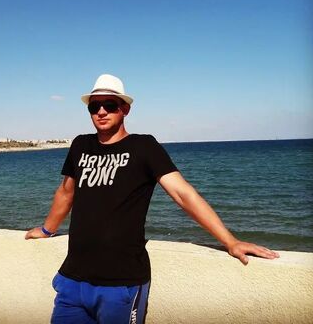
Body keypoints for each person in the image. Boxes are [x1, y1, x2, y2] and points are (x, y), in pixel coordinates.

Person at [25, 73, 280, 324]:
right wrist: (47, 230)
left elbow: (183, 194)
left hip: (121, 284)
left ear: (125, 109)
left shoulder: (144, 147)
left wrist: (230, 241)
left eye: (110, 105)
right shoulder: (81, 145)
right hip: (72, 280)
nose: (101, 112)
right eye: (94, 106)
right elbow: (66, 192)